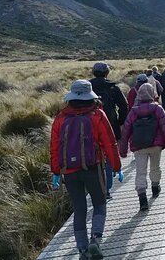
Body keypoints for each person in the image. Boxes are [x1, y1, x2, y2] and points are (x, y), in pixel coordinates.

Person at [50, 80, 122, 260]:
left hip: (69, 171)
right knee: (99, 203)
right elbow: (110, 143)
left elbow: (54, 147)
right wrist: (116, 166)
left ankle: (82, 249)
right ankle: (95, 240)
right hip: (93, 167)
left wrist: (56, 171)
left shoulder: (60, 118)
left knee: (79, 209)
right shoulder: (97, 115)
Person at [119, 83, 165, 211]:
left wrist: (122, 151)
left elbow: (126, 132)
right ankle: (155, 187)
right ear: (152, 94)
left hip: (139, 147)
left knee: (140, 172)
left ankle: (142, 198)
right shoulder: (158, 109)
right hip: (156, 145)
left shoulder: (133, 111)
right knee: (155, 167)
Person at [90, 62, 128, 200]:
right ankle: (106, 188)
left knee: (93, 155)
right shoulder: (113, 87)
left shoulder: (87, 87)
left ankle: (94, 187)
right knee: (107, 153)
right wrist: (120, 122)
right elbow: (124, 106)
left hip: (88, 128)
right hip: (110, 125)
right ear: (107, 73)